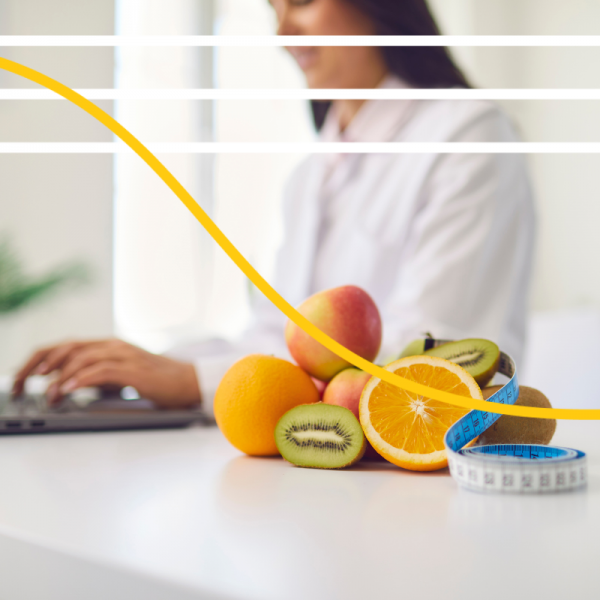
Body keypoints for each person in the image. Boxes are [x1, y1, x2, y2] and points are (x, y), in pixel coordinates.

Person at [12, 0, 535, 417]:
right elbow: (274, 338)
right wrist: (141, 364)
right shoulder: (311, 174)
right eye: (273, 9)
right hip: (321, 470)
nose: (284, 34)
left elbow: (434, 353)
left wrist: (192, 382)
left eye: (302, 3)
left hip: (424, 464)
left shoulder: (469, 135)